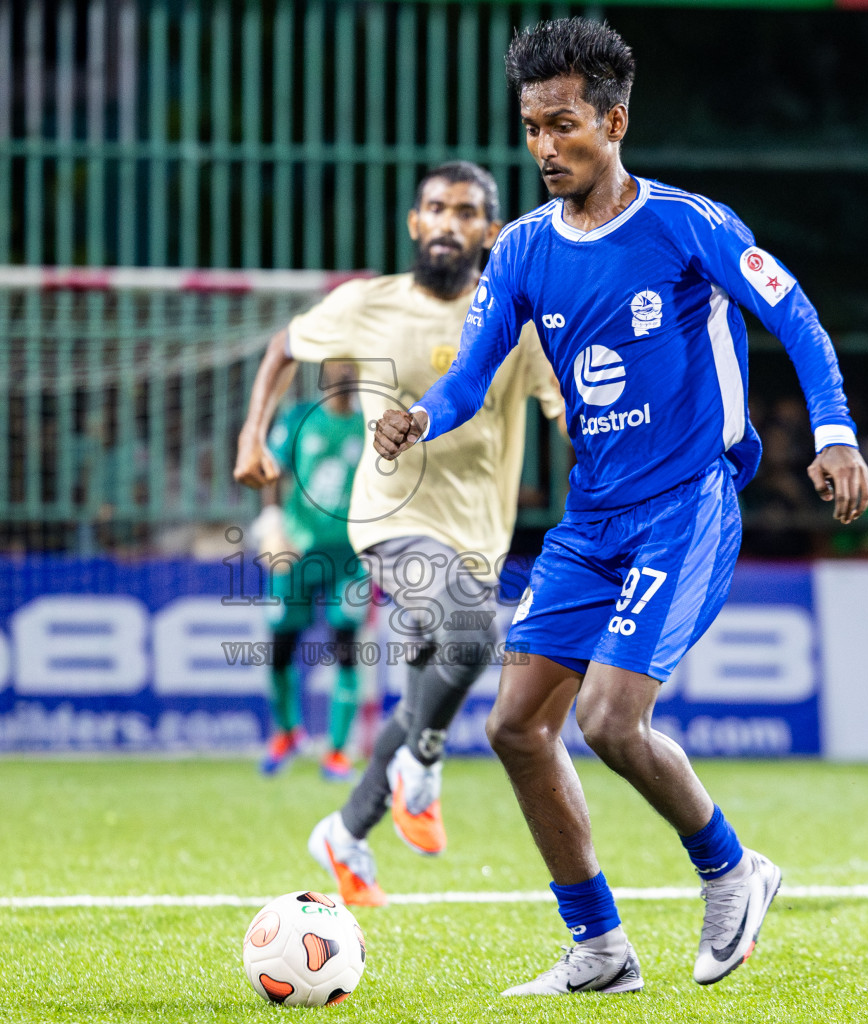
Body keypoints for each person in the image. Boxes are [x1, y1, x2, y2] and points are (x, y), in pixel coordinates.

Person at [371, 20, 868, 995]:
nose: (545, 147)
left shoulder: (691, 225)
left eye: (563, 125)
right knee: (516, 727)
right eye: (530, 128)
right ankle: (598, 946)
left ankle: (733, 871)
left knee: (609, 717)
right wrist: (417, 420)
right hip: (592, 520)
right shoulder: (519, 251)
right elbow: (472, 377)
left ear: (615, 119)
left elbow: (795, 316)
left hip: (685, 505)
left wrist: (836, 431)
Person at [234, 161, 565, 907]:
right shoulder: (368, 304)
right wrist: (254, 435)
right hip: (392, 517)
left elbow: (569, 407)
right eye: (437, 208)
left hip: (479, 534)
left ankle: (346, 834)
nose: (449, 222)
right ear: (416, 224)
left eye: (467, 211)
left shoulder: (517, 315)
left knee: (424, 696)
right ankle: (424, 766)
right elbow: (285, 347)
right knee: (475, 638)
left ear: (490, 229)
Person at [253, 363, 370, 781]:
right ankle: (286, 732)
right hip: (297, 552)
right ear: (324, 368)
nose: (342, 372)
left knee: (346, 647)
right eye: (335, 363)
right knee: (280, 646)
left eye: (349, 364)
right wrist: (271, 522)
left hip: (351, 558)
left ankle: (338, 751)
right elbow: (273, 473)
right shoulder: (299, 417)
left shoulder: (370, 424)